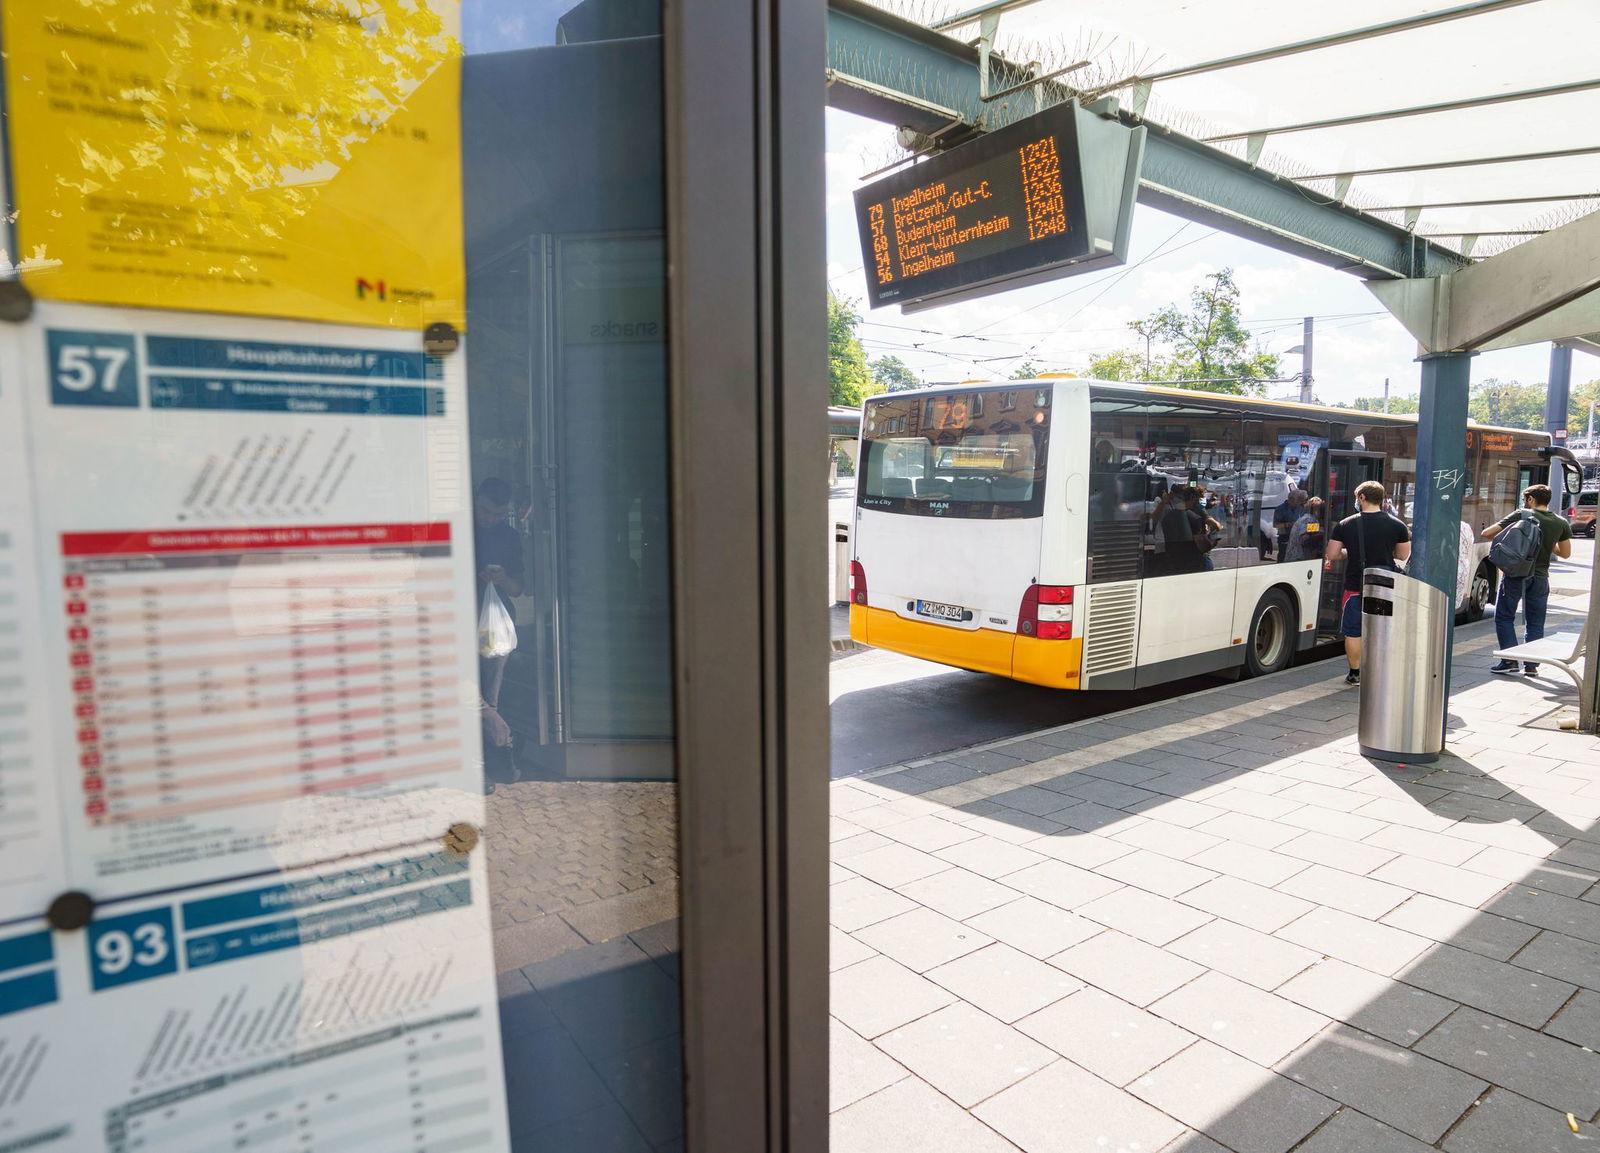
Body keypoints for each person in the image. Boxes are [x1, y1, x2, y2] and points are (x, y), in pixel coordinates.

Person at [1324, 480, 1411, 686]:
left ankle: (1355, 673)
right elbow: (1402, 555)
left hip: (1356, 585)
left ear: (1361, 498)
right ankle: (1379, 671)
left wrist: (1349, 552)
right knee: (1381, 627)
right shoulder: (1397, 525)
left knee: (1354, 630)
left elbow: (1332, 554)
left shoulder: (1345, 525)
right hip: (1383, 586)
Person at [1484, 483, 1572, 675]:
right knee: (1535, 621)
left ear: (1531, 499)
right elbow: (1565, 553)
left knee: (1505, 617)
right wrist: (1546, 544)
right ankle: (1531, 665)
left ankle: (1510, 661)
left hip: (1516, 574)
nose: (1525, 503)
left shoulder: (1522, 514)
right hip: (1540, 578)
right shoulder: (1560, 522)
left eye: (1525, 499)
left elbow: (1487, 533)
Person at [473, 477, 526, 792]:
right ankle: (488, 758)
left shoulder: (509, 537)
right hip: (458, 620)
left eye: (496, 514)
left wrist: (502, 578)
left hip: (494, 630)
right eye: (484, 510)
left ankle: (490, 765)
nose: (489, 518)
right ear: (476, 498)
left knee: (489, 697)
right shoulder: (456, 527)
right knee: (471, 696)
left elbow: (518, 589)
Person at [1159, 486, 1208, 574]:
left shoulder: (1167, 517)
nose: (1198, 503)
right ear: (1193, 498)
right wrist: (1212, 541)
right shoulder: (1195, 518)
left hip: (1172, 562)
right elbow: (1203, 547)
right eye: (1198, 499)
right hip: (1192, 565)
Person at [1285, 496, 1325, 562]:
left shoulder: (1305, 518)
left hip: (1292, 557)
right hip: (1299, 558)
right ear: (1316, 510)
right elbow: (1310, 538)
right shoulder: (1310, 520)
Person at [1273, 488, 1306, 562]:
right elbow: (1275, 525)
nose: (1299, 502)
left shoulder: (1300, 508)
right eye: (1298, 500)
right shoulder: (1280, 509)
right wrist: (1289, 524)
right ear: (1291, 499)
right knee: (1283, 557)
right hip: (1285, 537)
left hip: (1297, 537)